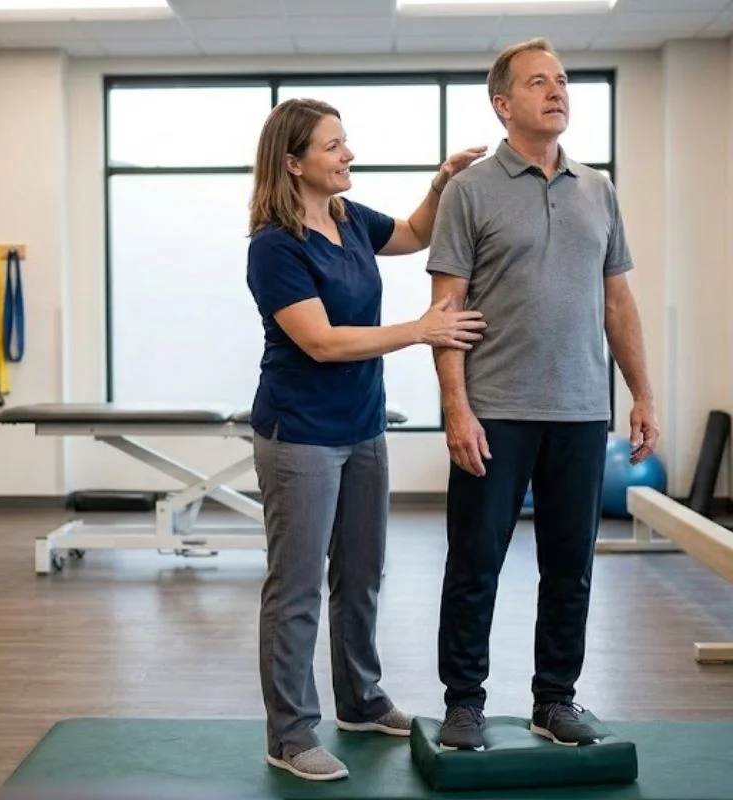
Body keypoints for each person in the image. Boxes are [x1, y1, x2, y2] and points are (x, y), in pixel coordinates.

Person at [426, 38, 659, 751]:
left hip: (582, 411)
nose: (557, 91)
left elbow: (618, 302)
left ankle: (554, 699)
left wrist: (642, 394)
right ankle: (463, 702)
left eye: (561, 81)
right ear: (503, 104)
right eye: (538, 82)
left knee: (571, 568)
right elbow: (445, 312)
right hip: (496, 410)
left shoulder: (599, 188)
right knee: (475, 565)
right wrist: (456, 409)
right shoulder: (469, 191)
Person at [245, 97, 488, 781]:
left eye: (345, 143)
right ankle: (290, 735)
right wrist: (420, 329)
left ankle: (359, 699)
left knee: (361, 575)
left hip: (362, 427)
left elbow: (413, 233)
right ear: (293, 163)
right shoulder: (274, 247)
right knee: (295, 589)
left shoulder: (349, 220)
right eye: (332, 146)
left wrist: (441, 182)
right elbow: (320, 342)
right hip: (300, 436)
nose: (347, 155)